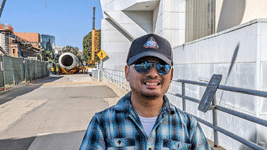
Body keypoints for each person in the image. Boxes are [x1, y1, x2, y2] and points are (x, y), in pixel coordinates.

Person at [80, 34, 211, 150]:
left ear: (171, 75)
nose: (153, 73)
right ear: (127, 73)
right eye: (142, 65)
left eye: (162, 66)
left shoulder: (189, 127)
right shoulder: (102, 123)